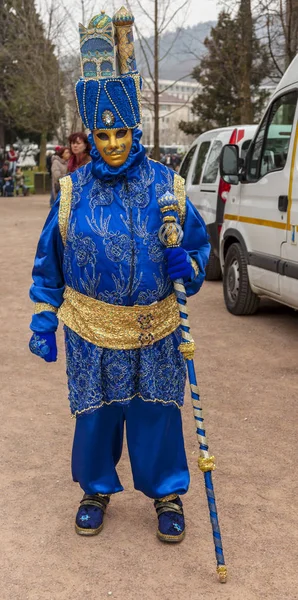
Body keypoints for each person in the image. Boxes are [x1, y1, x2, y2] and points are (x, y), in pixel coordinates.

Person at [28, 8, 210, 543]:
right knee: (95, 418)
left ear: (135, 129)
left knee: (156, 414)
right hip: (89, 330)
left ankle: (167, 492)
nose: (110, 144)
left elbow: (197, 253)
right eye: (101, 134)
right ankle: (96, 488)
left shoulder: (168, 187)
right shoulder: (70, 193)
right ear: (92, 134)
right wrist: (43, 319)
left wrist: (189, 266)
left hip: (155, 330)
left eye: (119, 133)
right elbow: (49, 261)